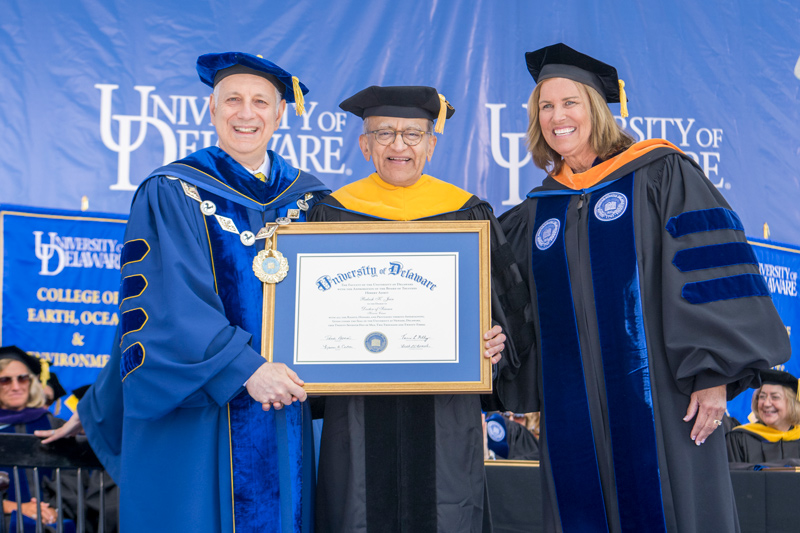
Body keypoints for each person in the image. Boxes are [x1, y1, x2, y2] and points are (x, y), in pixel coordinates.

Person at [497, 43, 791, 532]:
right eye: (545, 107)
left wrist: (712, 375)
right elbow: (504, 296)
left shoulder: (660, 173)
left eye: (569, 103)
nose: (557, 116)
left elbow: (708, 270)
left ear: (595, 107)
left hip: (666, 404)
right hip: (576, 417)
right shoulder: (540, 210)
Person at [39, 52, 330, 532]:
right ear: (211, 110)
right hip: (203, 414)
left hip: (288, 412)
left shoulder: (312, 201)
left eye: (260, 101)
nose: (246, 112)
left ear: (280, 114)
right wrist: (101, 408)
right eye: (232, 100)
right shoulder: (173, 190)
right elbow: (157, 307)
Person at [309, 85, 527, 532]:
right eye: (384, 133)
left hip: (444, 406)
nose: (398, 145)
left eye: (412, 134)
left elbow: (503, 310)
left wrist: (494, 344)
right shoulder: (330, 213)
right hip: (357, 407)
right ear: (364, 145)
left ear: (430, 143)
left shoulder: (467, 214)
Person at [1, 345, 74, 532]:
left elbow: (73, 479)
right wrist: (17, 507)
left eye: (22, 378)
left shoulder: (56, 426)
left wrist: (53, 509)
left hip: (53, 520)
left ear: (31, 382)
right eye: (5, 380)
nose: (16, 387)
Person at [727, 368, 800, 465]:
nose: (766, 403)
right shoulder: (738, 439)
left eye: (775, 397)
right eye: (762, 396)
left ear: (792, 403)